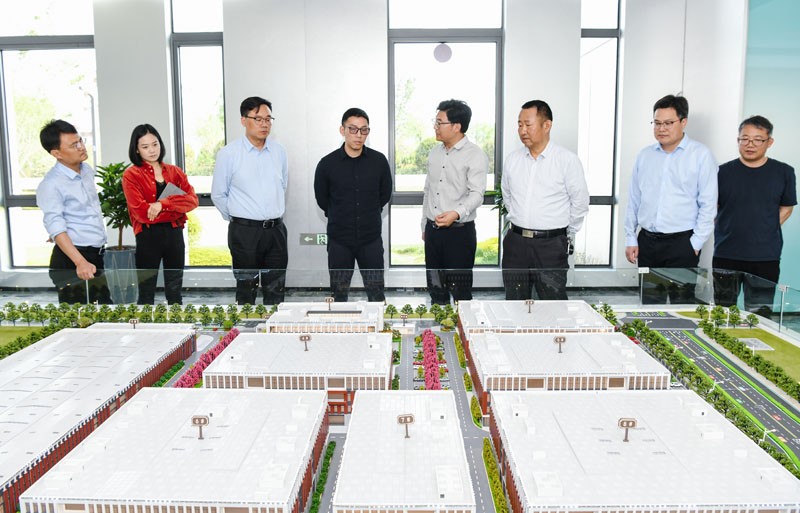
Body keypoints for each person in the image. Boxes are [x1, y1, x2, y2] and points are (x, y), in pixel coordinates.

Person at [624, 94, 718, 304]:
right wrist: (631, 237)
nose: (661, 129)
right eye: (657, 123)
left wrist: (695, 243)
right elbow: (634, 199)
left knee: (681, 304)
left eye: (668, 123)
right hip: (648, 243)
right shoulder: (645, 155)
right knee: (650, 304)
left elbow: (708, 205)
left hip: (682, 244)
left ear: (683, 122)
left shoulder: (701, 155)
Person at [501, 100, 589, 300]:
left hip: (551, 245)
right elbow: (508, 196)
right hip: (516, 244)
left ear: (546, 125)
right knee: (514, 302)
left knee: (553, 303)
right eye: (519, 125)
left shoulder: (566, 160)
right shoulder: (513, 160)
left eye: (528, 124)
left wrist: (565, 233)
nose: (522, 130)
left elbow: (580, 201)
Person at [713, 115, 796, 316]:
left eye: (758, 140)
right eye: (745, 139)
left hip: (765, 256)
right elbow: (713, 208)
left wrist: (764, 227)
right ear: (738, 140)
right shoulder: (721, 172)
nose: (750, 144)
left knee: (760, 313)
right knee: (722, 311)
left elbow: (786, 208)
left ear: (769, 142)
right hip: (726, 253)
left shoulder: (784, 172)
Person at [211, 96, 288, 306]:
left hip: (276, 231)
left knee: (276, 290)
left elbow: (282, 186)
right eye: (258, 119)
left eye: (268, 119)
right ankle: (246, 326)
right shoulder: (229, 154)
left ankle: (274, 325)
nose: (264, 124)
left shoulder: (279, 152)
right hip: (244, 233)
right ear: (244, 120)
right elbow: (218, 194)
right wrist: (239, 218)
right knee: (246, 291)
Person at [314, 108, 392, 302]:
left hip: (370, 239)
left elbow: (384, 194)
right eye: (353, 129)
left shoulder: (379, 161)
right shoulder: (327, 164)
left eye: (364, 130)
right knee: (339, 296)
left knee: (376, 294)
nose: (359, 135)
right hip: (339, 241)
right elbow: (322, 199)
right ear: (343, 130)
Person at [36, 119, 111, 304]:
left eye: (80, 141)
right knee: (79, 317)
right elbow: (56, 227)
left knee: (104, 312)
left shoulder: (86, 170)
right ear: (56, 153)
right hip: (73, 260)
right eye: (73, 145)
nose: (81, 147)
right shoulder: (51, 184)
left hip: (94, 255)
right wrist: (80, 262)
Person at [421, 99, 489, 305]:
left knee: (460, 293)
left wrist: (456, 213)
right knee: (436, 289)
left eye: (439, 122)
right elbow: (428, 190)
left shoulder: (475, 155)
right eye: (435, 122)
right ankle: (438, 324)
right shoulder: (435, 152)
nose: (435, 127)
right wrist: (424, 225)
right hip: (433, 233)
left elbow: (477, 194)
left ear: (456, 126)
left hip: (459, 234)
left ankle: (462, 325)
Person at [122, 124, 198, 304]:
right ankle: (145, 323)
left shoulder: (175, 172)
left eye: (155, 144)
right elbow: (141, 212)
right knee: (146, 292)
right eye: (145, 146)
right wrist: (175, 209)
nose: (152, 150)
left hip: (174, 233)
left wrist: (162, 204)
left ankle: (177, 321)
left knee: (175, 290)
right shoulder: (131, 175)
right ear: (137, 150)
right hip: (148, 235)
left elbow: (192, 201)